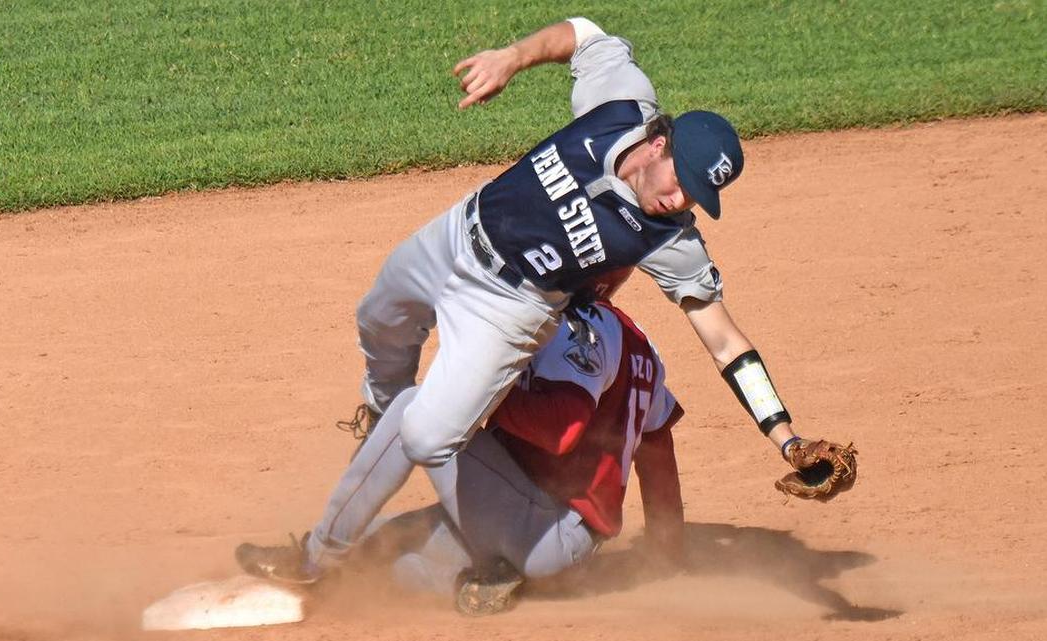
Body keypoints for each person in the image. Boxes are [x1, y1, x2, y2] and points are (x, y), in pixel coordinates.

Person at [346, 17, 809, 474]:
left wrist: (786, 439)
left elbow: (726, 343)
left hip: (509, 307)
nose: (679, 200)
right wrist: (512, 58)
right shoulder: (621, 106)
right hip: (458, 232)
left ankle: (494, 476)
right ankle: (381, 426)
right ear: (658, 144)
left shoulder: (672, 239)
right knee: (378, 318)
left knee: (427, 442)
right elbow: (585, 34)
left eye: (696, 196)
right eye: (681, 182)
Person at [239, 272, 688, 615]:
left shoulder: (579, 325)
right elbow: (657, 450)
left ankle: (315, 557)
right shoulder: (640, 344)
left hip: (541, 526)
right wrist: (666, 555)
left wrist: (482, 396)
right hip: (539, 533)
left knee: (417, 409)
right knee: (386, 550)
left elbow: (561, 430)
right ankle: (481, 578)